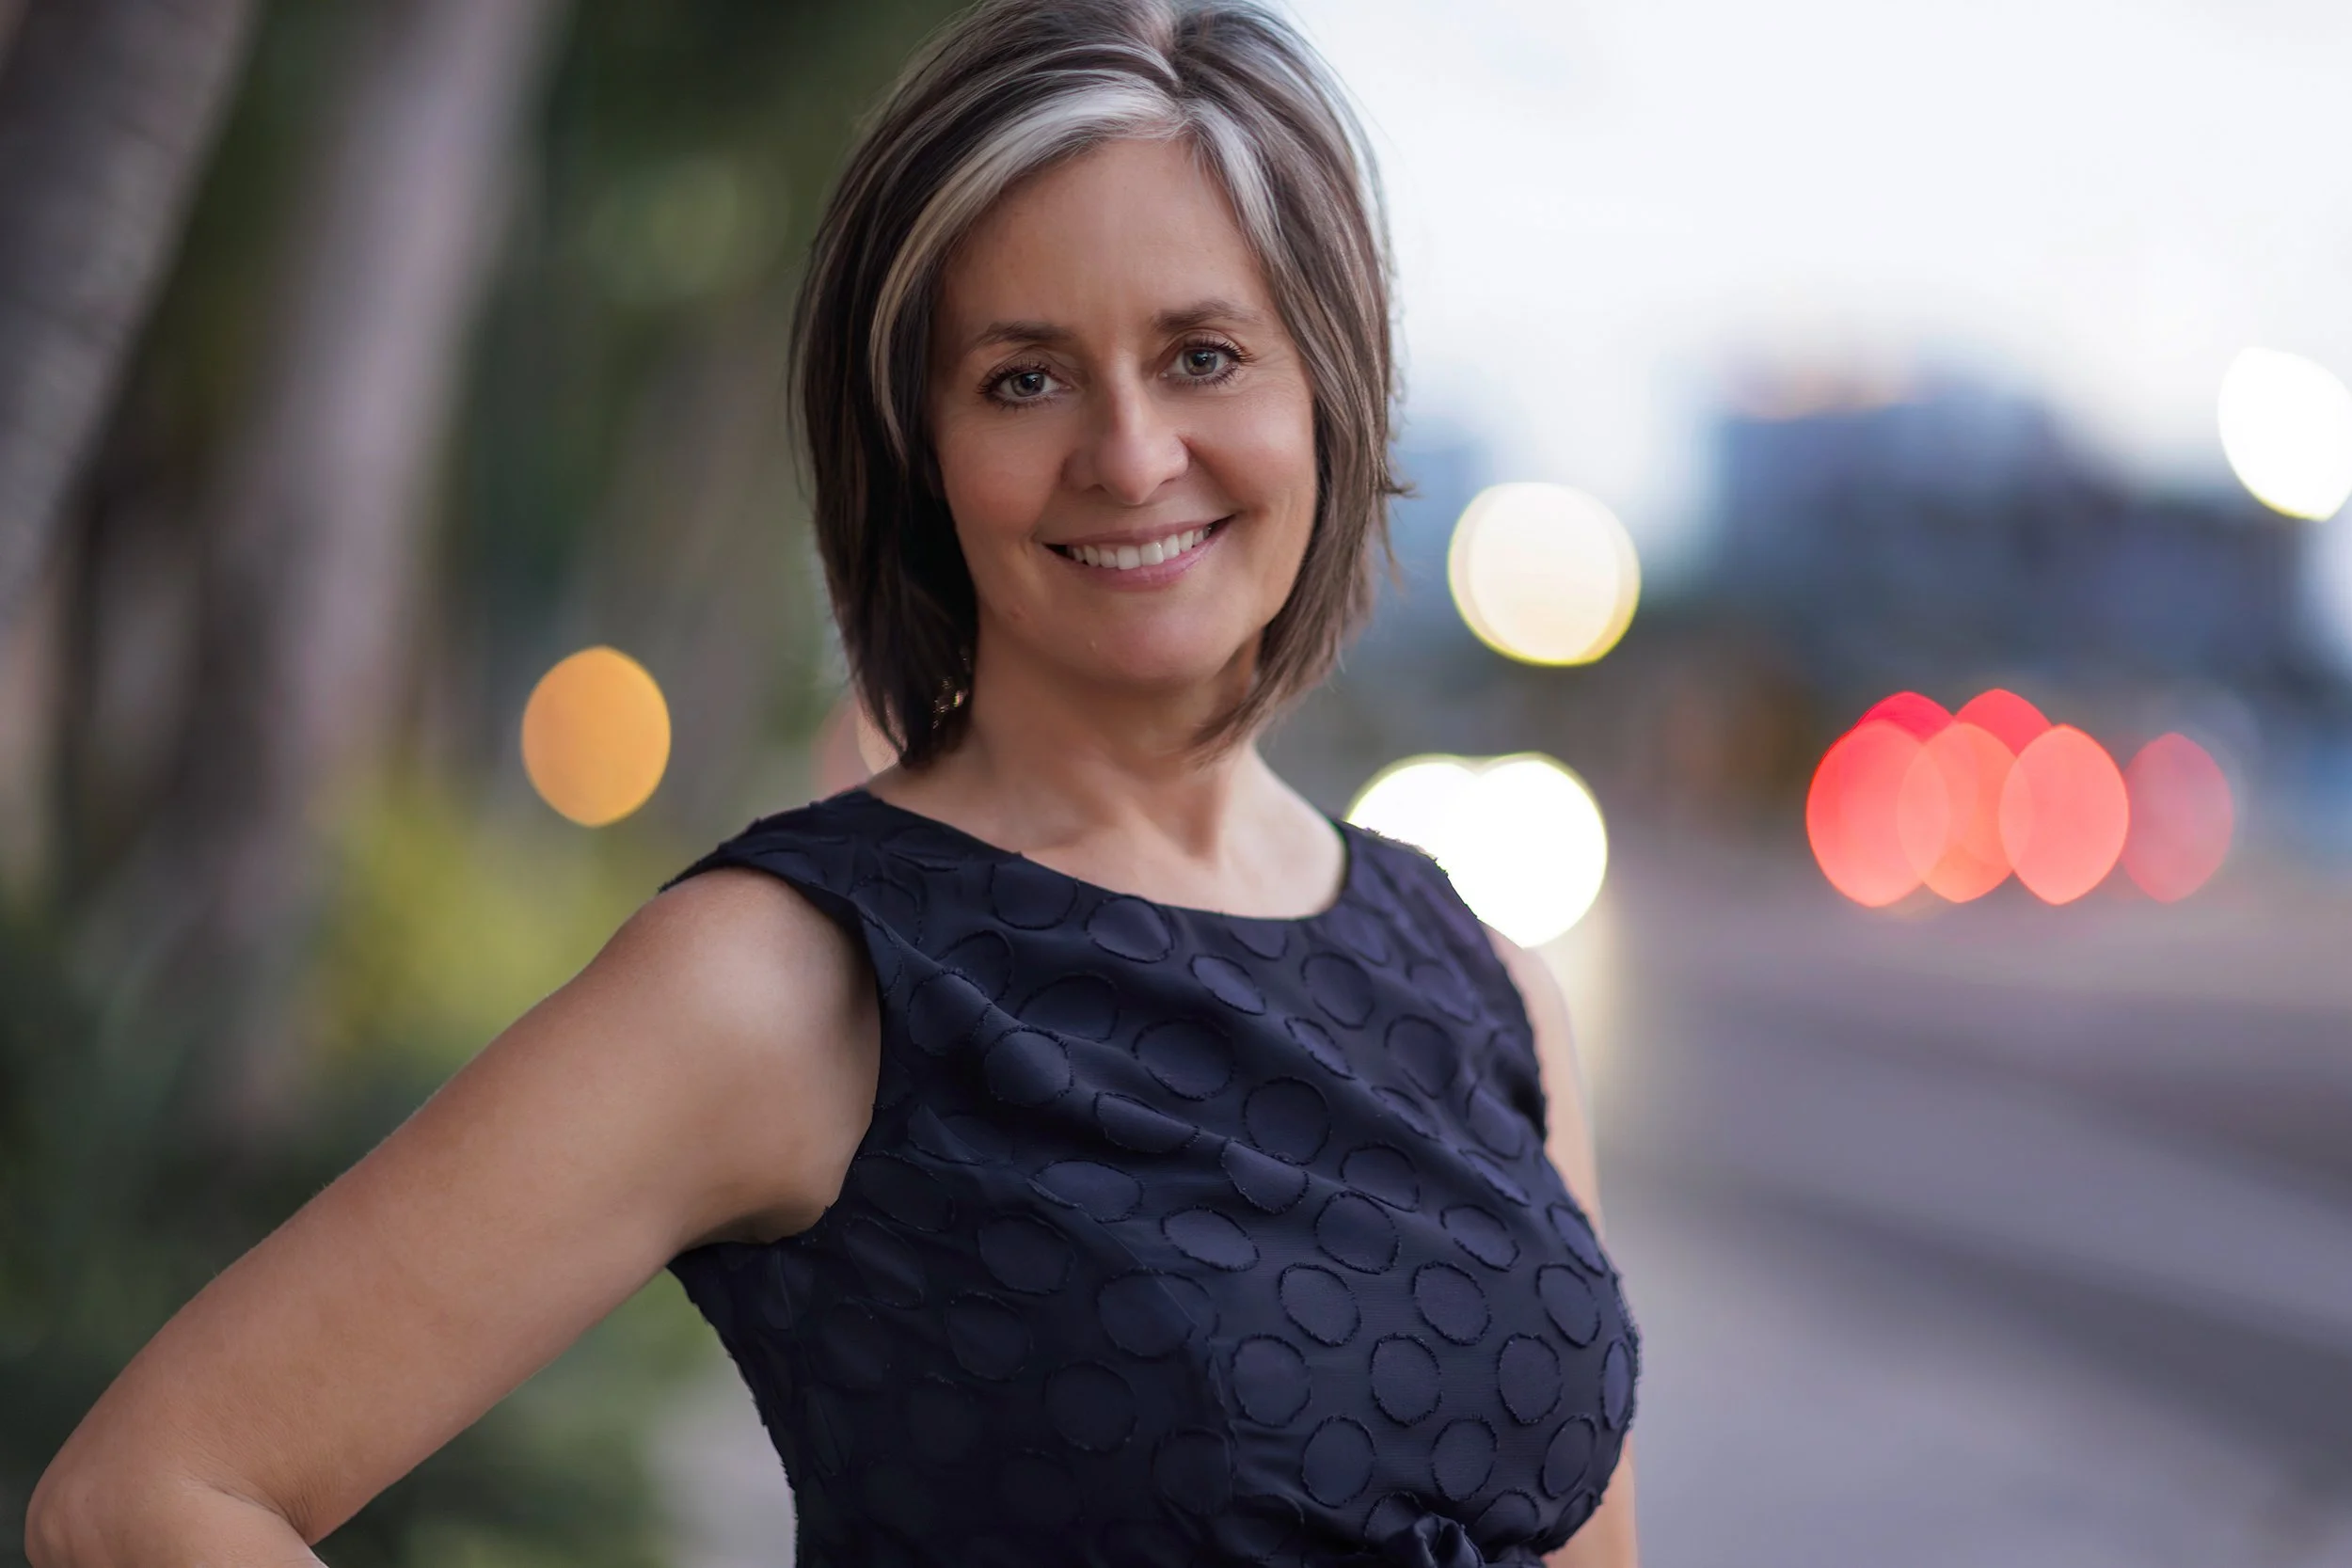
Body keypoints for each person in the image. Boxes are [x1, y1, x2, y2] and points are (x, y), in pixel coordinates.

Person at [25, 0, 1641, 1563]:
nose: (1132, 455)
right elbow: (155, 1492)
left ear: (1326, 393)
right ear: (919, 454)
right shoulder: (797, 976)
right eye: (1024, 377)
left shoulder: (1485, 982)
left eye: (1204, 354)